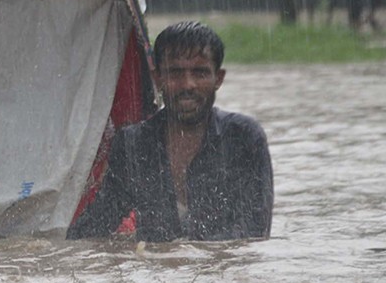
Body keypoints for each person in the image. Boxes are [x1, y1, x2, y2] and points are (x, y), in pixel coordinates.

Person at [67, 21, 273, 242]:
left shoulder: (243, 138)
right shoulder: (133, 144)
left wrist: (185, 254)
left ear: (218, 79)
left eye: (200, 73)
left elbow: (254, 232)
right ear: (158, 78)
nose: (188, 85)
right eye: (175, 73)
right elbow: (96, 224)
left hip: (224, 274)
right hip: (154, 274)